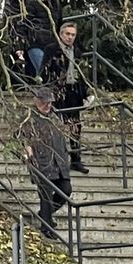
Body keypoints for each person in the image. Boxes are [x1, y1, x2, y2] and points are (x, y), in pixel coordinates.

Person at [17, 86, 71, 239]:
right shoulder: (30, 117)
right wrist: (27, 151)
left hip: (58, 162)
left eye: (50, 102)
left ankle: (45, 214)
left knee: (65, 189)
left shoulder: (55, 116)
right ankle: (46, 226)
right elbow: (21, 137)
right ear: (37, 101)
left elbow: (61, 139)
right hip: (41, 161)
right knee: (45, 194)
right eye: (44, 102)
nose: (48, 105)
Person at [43, 21, 89, 174]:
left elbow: (83, 74)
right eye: (67, 34)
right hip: (58, 91)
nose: (70, 37)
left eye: (73, 35)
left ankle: (76, 160)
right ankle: (57, 159)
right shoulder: (52, 50)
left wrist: (86, 93)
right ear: (61, 34)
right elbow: (44, 72)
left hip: (74, 91)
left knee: (75, 125)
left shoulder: (77, 51)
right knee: (57, 125)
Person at [2, 0, 61, 80]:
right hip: (35, 43)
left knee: (51, 73)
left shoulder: (55, 5)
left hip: (51, 44)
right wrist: (20, 46)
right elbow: (23, 24)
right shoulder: (31, 4)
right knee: (43, 72)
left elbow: (59, 24)